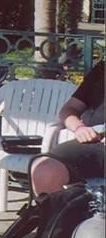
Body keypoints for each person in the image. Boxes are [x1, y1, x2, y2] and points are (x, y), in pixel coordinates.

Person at [30, 60, 105, 195]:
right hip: (94, 139)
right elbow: (69, 109)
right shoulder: (102, 71)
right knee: (44, 171)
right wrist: (79, 128)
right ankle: (57, 209)